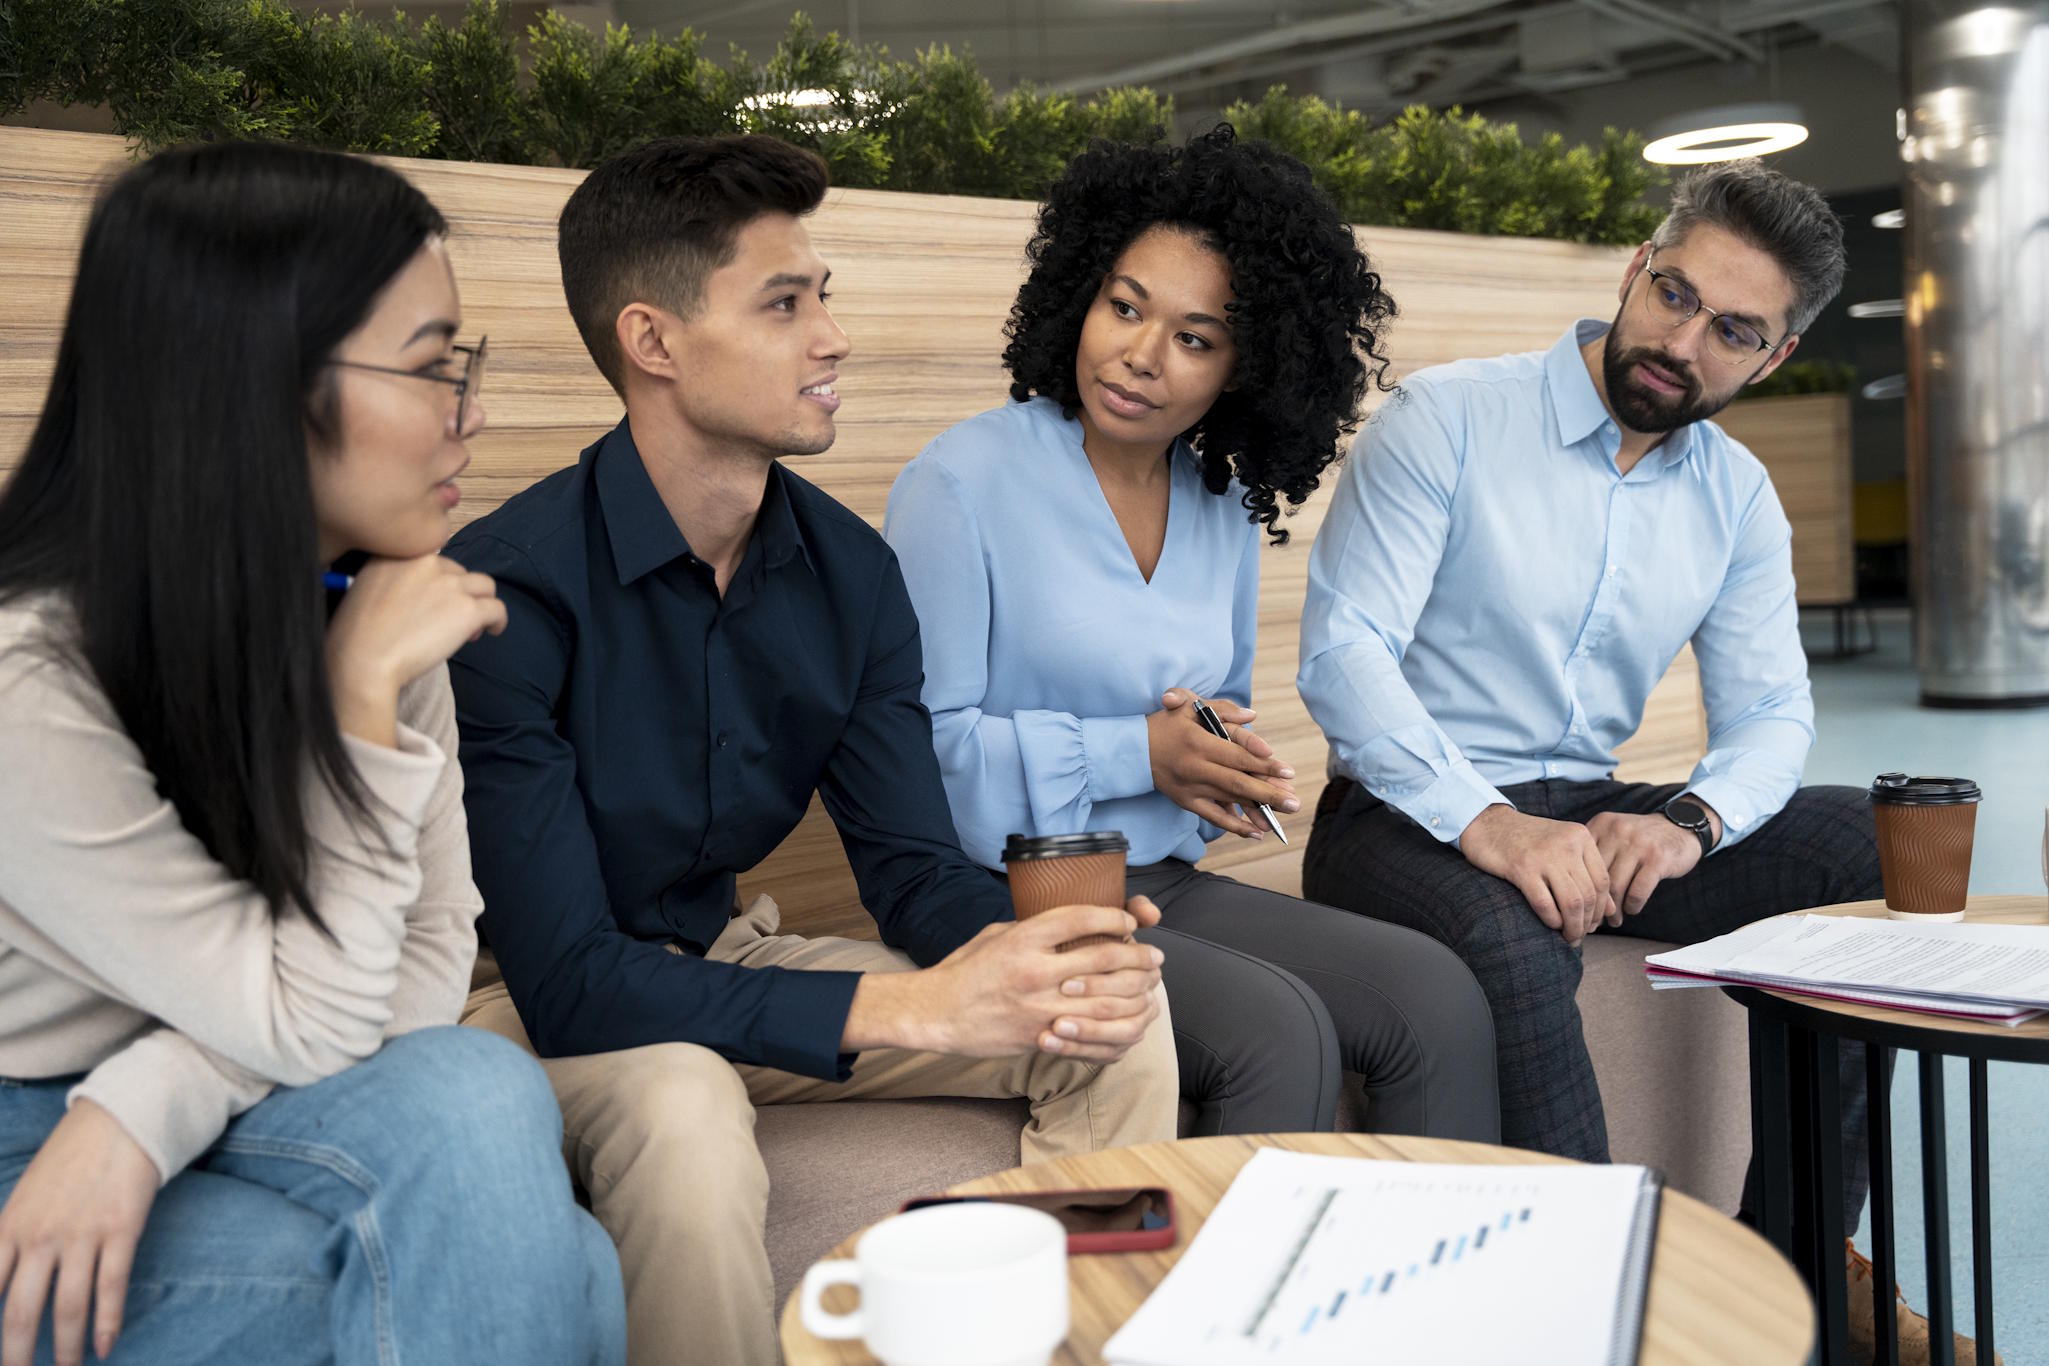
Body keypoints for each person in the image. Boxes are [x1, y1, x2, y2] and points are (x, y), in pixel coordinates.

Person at [446, 133, 1179, 1366]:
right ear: (655, 341)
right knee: (679, 1101)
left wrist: (1032, 947)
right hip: (517, 1000)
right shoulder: (509, 592)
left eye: (822, 295)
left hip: (722, 950)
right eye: (785, 304)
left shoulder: (851, 574)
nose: (831, 336)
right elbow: (572, 980)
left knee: (1115, 1019)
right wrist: (922, 1006)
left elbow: (907, 868)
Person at [1297, 158, 1985, 1365]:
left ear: (1769, 360)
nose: (1683, 340)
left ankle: (1789, 1282)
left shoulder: (1736, 496)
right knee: (1515, 941)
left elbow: (1773, 709)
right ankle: (1597, 1319)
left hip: (1590, 807)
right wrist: (1493, 826)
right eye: (1673, 294)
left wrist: (1689, 822)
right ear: (1635, 269)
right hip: (1403, 813)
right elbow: (1346, 659)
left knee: (1853, 848)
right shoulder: (1449, 418)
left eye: (1733, 331)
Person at [0, 143, 625, 1366]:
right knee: (570, 1263)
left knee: (481, 1090)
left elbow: (433, 951)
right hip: (26, 1122)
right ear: (253, 380)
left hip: (221, 1078)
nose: (473, 407)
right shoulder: (33, 676)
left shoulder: (380, 610)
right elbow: (302, 1012)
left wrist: (139, 1107)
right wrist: (354, 701)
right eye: (434, 364)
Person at [884, 126, 1500, 1141]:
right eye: (1124, 306)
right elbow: (920, 760)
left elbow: (1203, 724)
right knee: (1276, 1030)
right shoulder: (958, 484)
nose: (1140, 354)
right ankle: (1226, 1302)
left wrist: (1220, 762)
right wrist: (1144, 751)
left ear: (1243, 371)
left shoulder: (1220, 507)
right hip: (1008, 890)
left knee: (1433, 992)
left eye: (1195, 336)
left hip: (1166, 880)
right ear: (1080, 295)